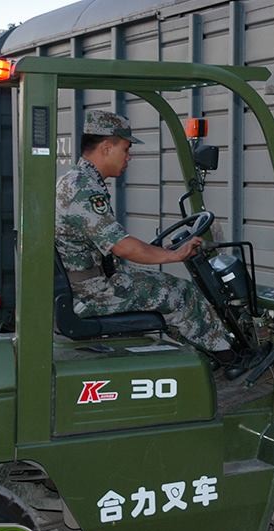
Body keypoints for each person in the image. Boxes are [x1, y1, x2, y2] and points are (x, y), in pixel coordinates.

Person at [55, 110, 239, 367]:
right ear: (107, 147)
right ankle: (231, 361)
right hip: (90, 293)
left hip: (87, 285)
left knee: (162, 286)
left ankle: (201, 359)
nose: (129, 157)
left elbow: (115, 241)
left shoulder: (77, 182)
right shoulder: (83, 189)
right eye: (126, 149)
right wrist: (174, 255)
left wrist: (161, 249)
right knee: (182, 293)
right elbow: (123, 246)